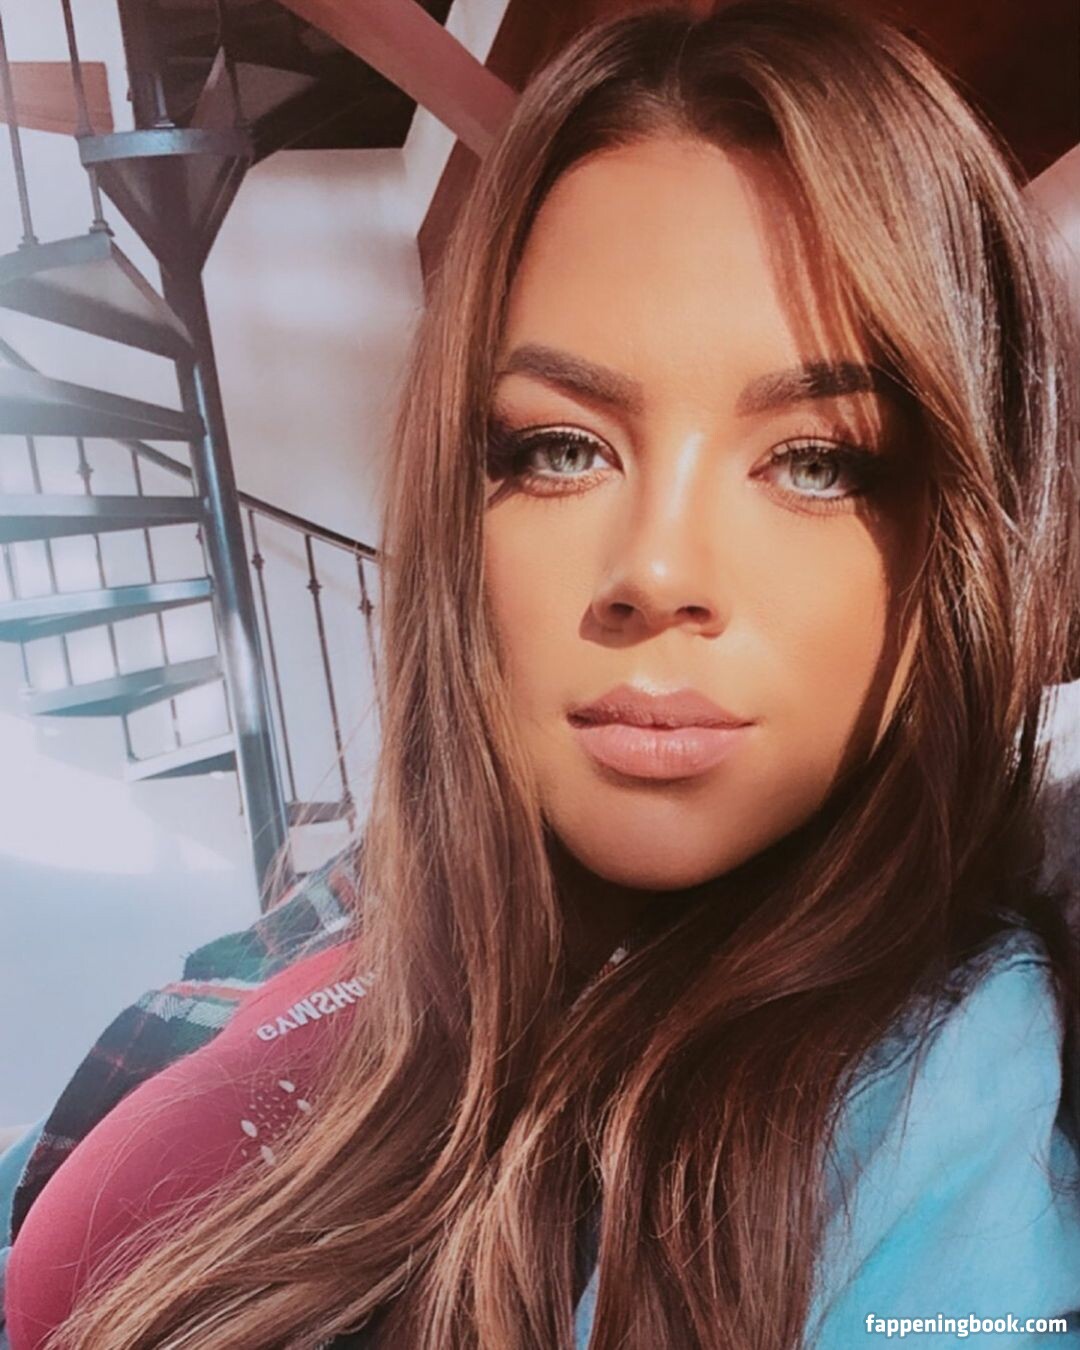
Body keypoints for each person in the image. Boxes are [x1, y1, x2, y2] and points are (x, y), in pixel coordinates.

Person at [5, 1, 1080, 1346]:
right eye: (562, 448)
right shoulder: (339, 915)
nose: (655, 568)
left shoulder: (938, 1089)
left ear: (962, 536)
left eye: (817, 460)